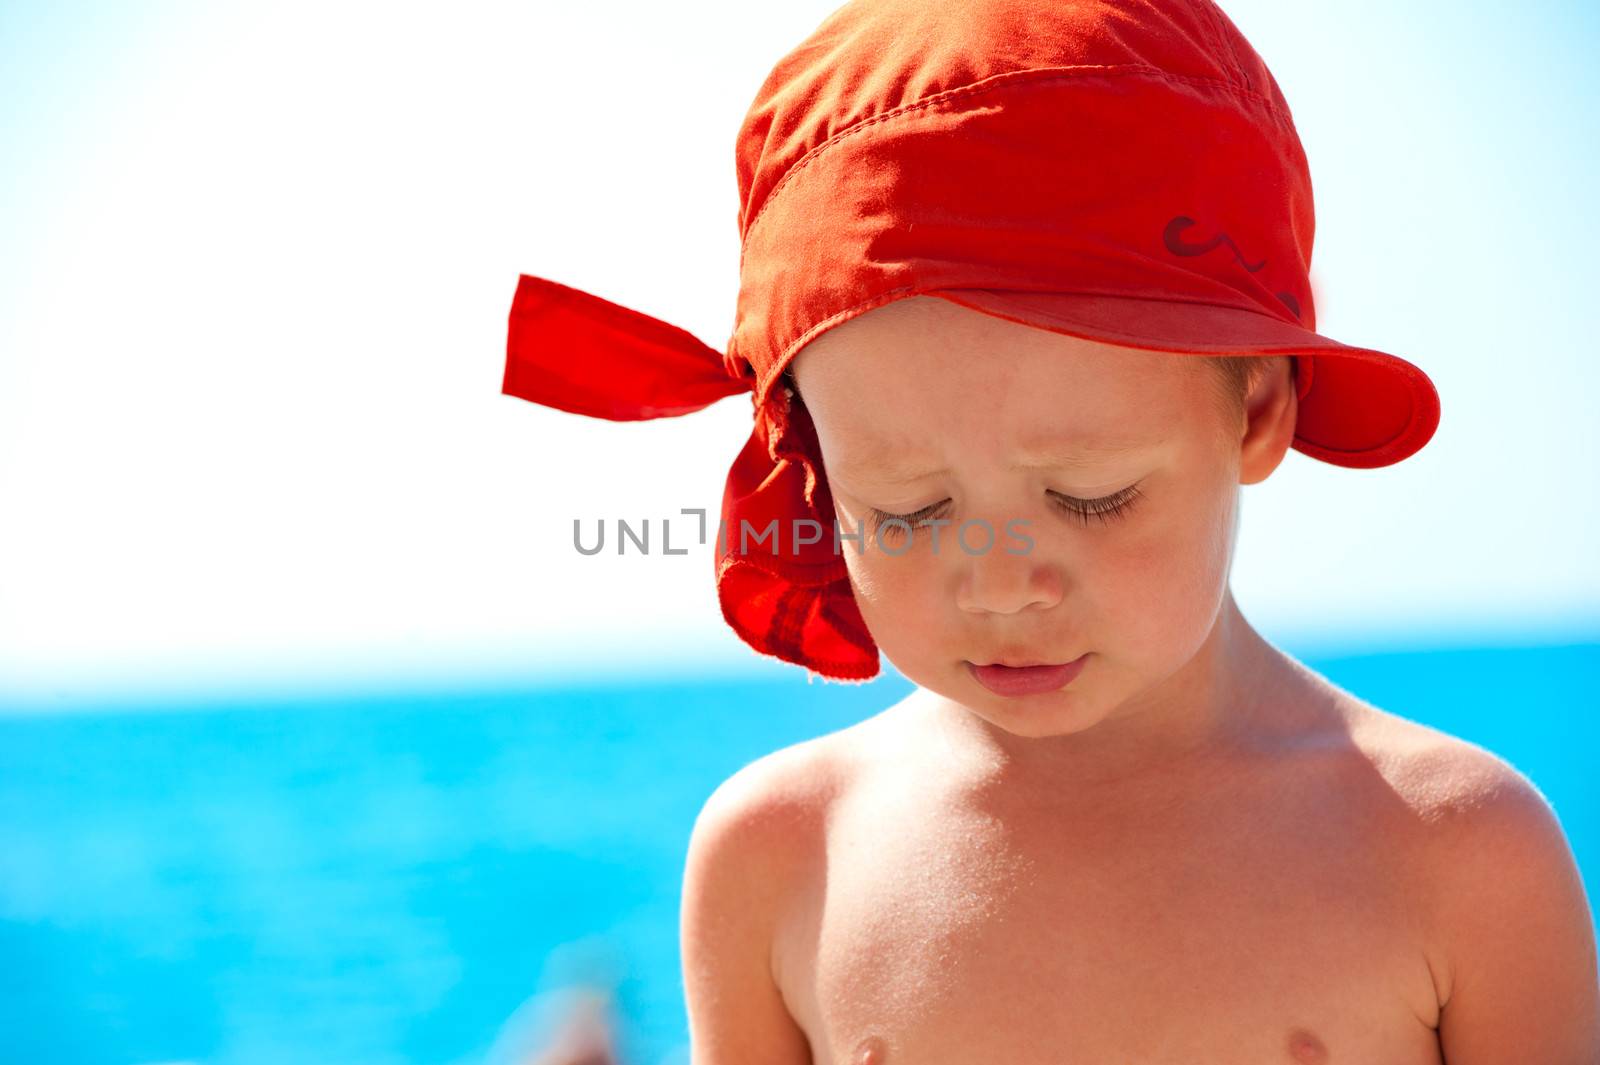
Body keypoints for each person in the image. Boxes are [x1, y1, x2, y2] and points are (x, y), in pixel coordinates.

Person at [501, 0, 1600, 1060]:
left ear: (1259, 410)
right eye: (906, 511)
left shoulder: (1454, 853)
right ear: (813, 462)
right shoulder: (781, 857)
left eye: (1088, 496)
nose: (999, 585)